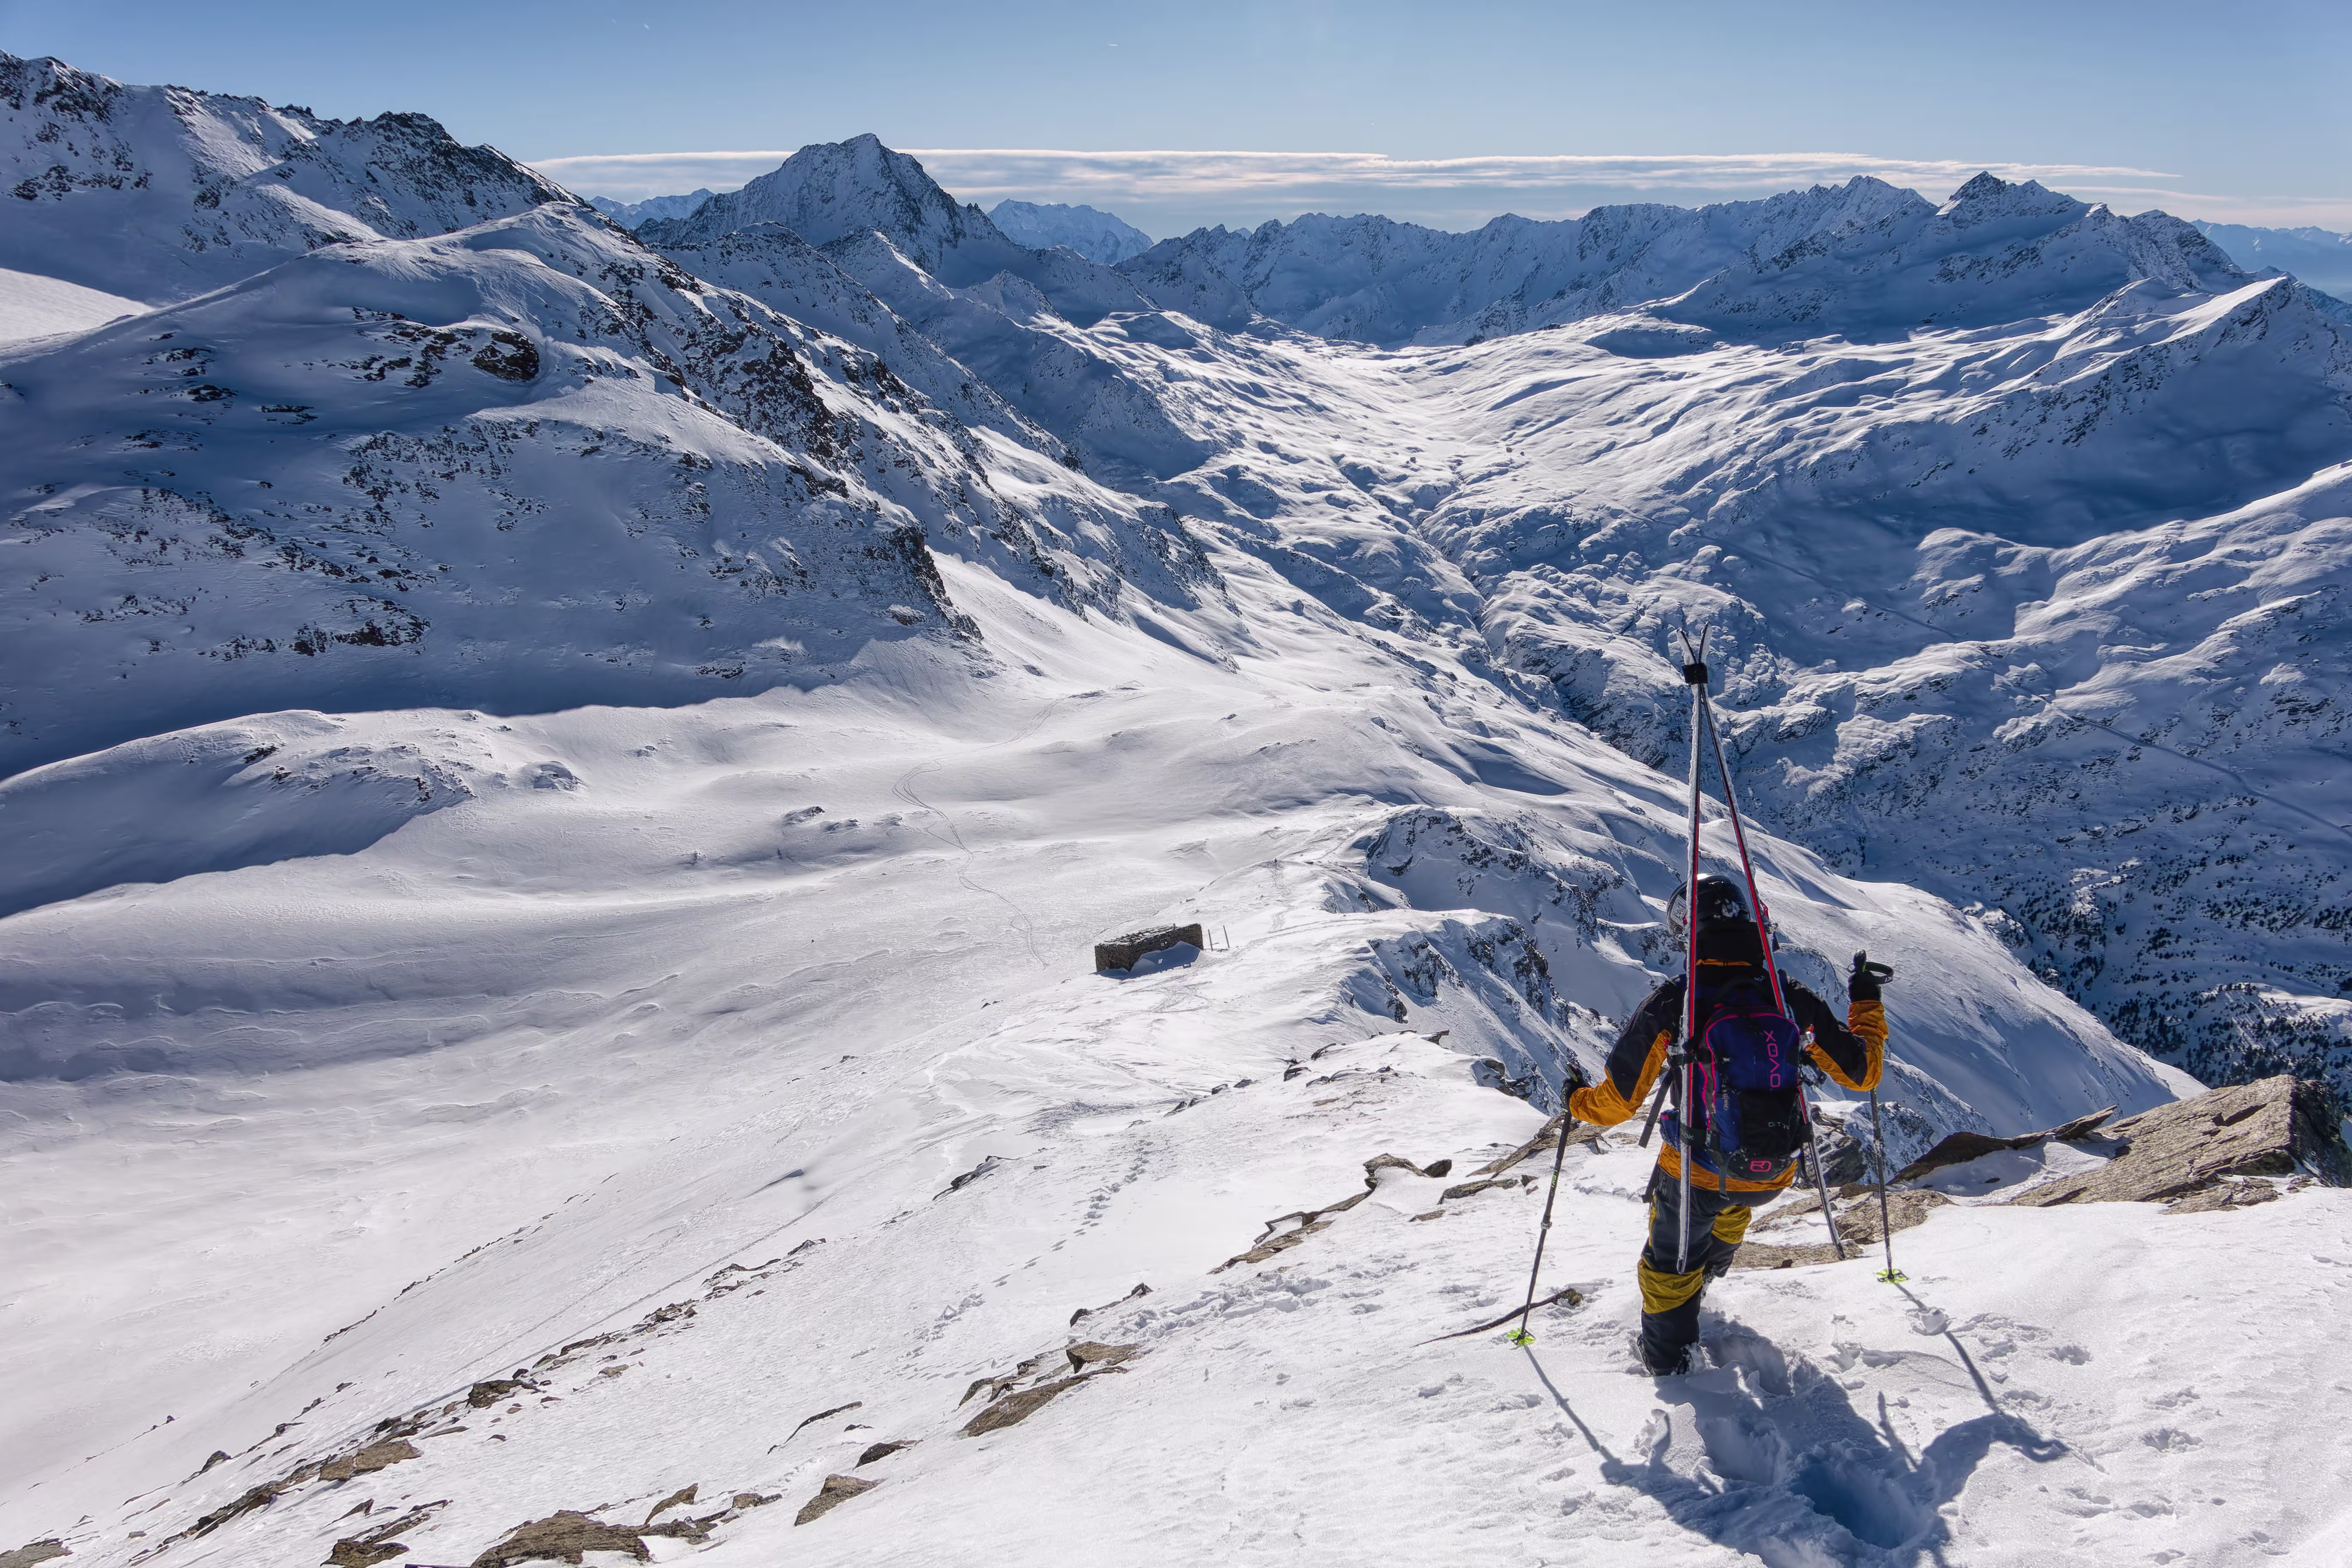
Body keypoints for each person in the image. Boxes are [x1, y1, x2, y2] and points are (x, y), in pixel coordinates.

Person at [1566, 875, 1886, 1375]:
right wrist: (1866, 999)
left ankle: (1670, 1369)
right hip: (1773, 1170)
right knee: (1732, 1200)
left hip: (1697, 1170)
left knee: (1669, 1266)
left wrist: (1575, 1101)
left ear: (1685, 932)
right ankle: (1710, 1277)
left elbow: (1618, 1104)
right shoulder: (1787, 997)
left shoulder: (1678, 1002)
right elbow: (1863, 1073)